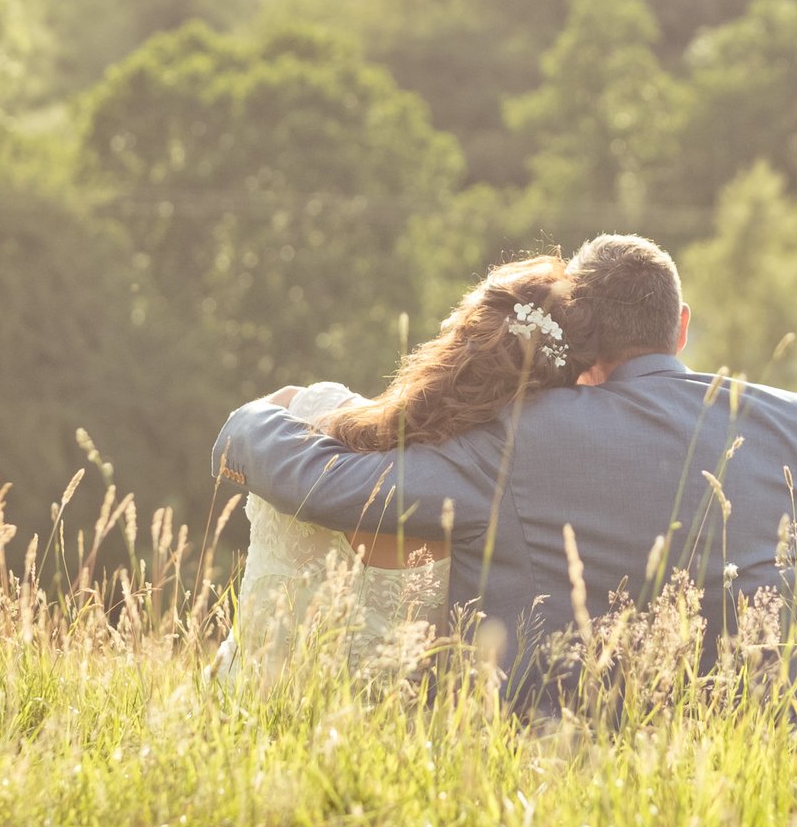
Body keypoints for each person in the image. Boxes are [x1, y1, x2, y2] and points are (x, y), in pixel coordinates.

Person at [212, 233, 797, 723]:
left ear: (583, 332)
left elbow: (330, 486)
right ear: (680, 327)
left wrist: (247, 422)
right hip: (772, 741)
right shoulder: (793, 422)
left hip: (562, 741)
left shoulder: (514, 435)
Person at [216, 254, 571, 679]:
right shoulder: (489, 494)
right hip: (386, 739)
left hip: (229, 718)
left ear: (457, 339)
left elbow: (253, 420)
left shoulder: (311, 406)